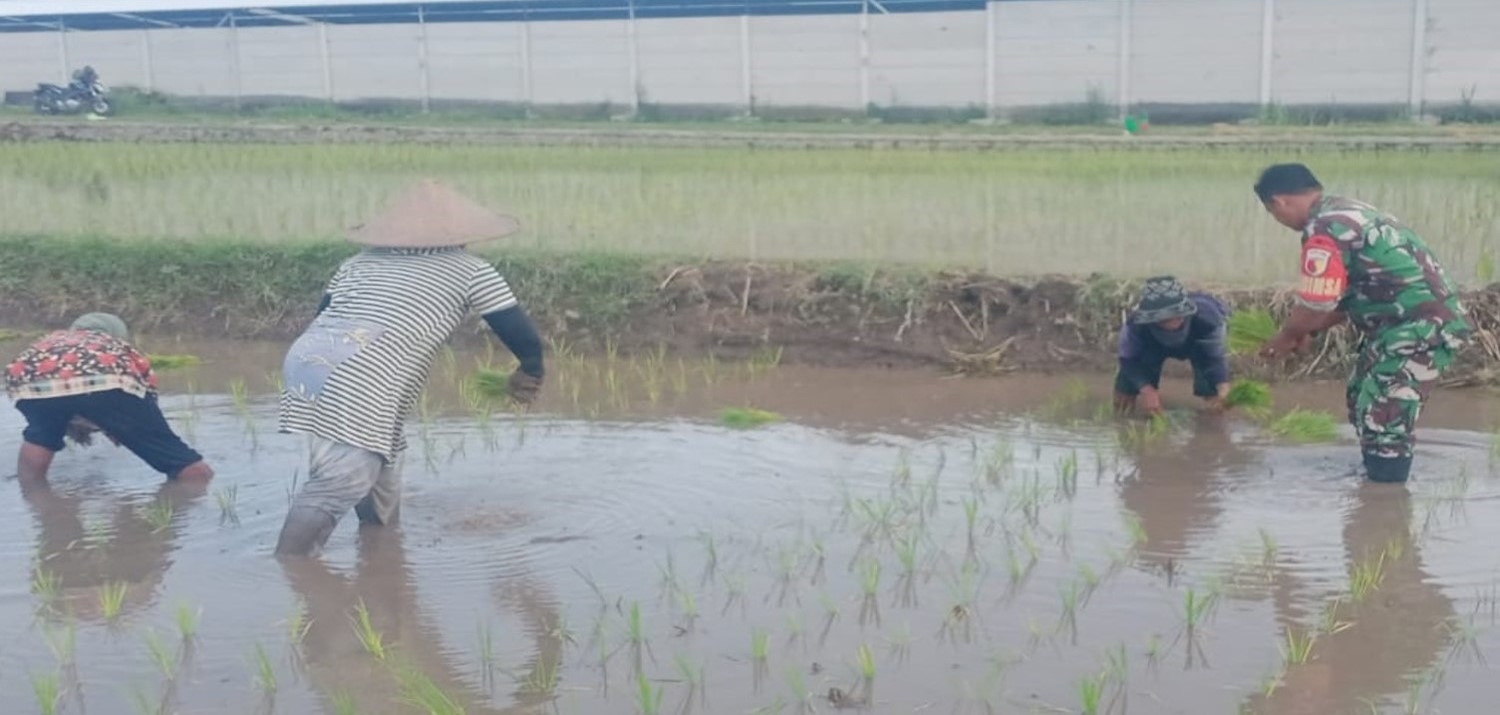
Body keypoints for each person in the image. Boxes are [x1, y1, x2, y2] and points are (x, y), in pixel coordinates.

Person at [275, 180, 546, 557]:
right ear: (462, 234)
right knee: (341, 480)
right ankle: (289, 566)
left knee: (382, 455)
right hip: (363, 370)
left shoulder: (356, 263)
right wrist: (530, 370)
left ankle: (380, 545)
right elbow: (517, 331)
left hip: (309, 359)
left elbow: (325, 316)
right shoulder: (471, 270)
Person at [1254, 163, 1471, 484]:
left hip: (1418, 326)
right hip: (1397, 325)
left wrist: (1287, 336)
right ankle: (1373, 483)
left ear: (1280, 201)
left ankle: (1385, 505)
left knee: (1385, 417)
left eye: (1273, 213)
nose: (1280, 221)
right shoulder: (1351, 211)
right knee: (1361, 398)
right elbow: (1348, 297)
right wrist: (1310, 329)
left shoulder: (1325, 228)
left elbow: (1317, 300)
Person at [5, 313, 213, 486]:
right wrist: (125, 429)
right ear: (116, 334)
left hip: (27, 382)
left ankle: (35, 496)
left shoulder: (51, 340)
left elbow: (65, 396)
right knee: (190, 467)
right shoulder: (116, 346)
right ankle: (195, 500)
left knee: (42, 435)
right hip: (106, 380)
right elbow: (142, 400)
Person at [1114, 276, 1231, 416]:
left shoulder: (1208, 320)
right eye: (1165, 319)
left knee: (1213, 390)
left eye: (1178, 315)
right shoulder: (1136, 325)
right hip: (1151, 346)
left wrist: (1223, 386)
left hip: (1198, 345)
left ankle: (1211, 427)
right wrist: (1147, 390)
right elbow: (1128, 360)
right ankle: (1124, 419)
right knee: (1126, 389)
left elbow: (1213, 358)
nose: (1173, 322)